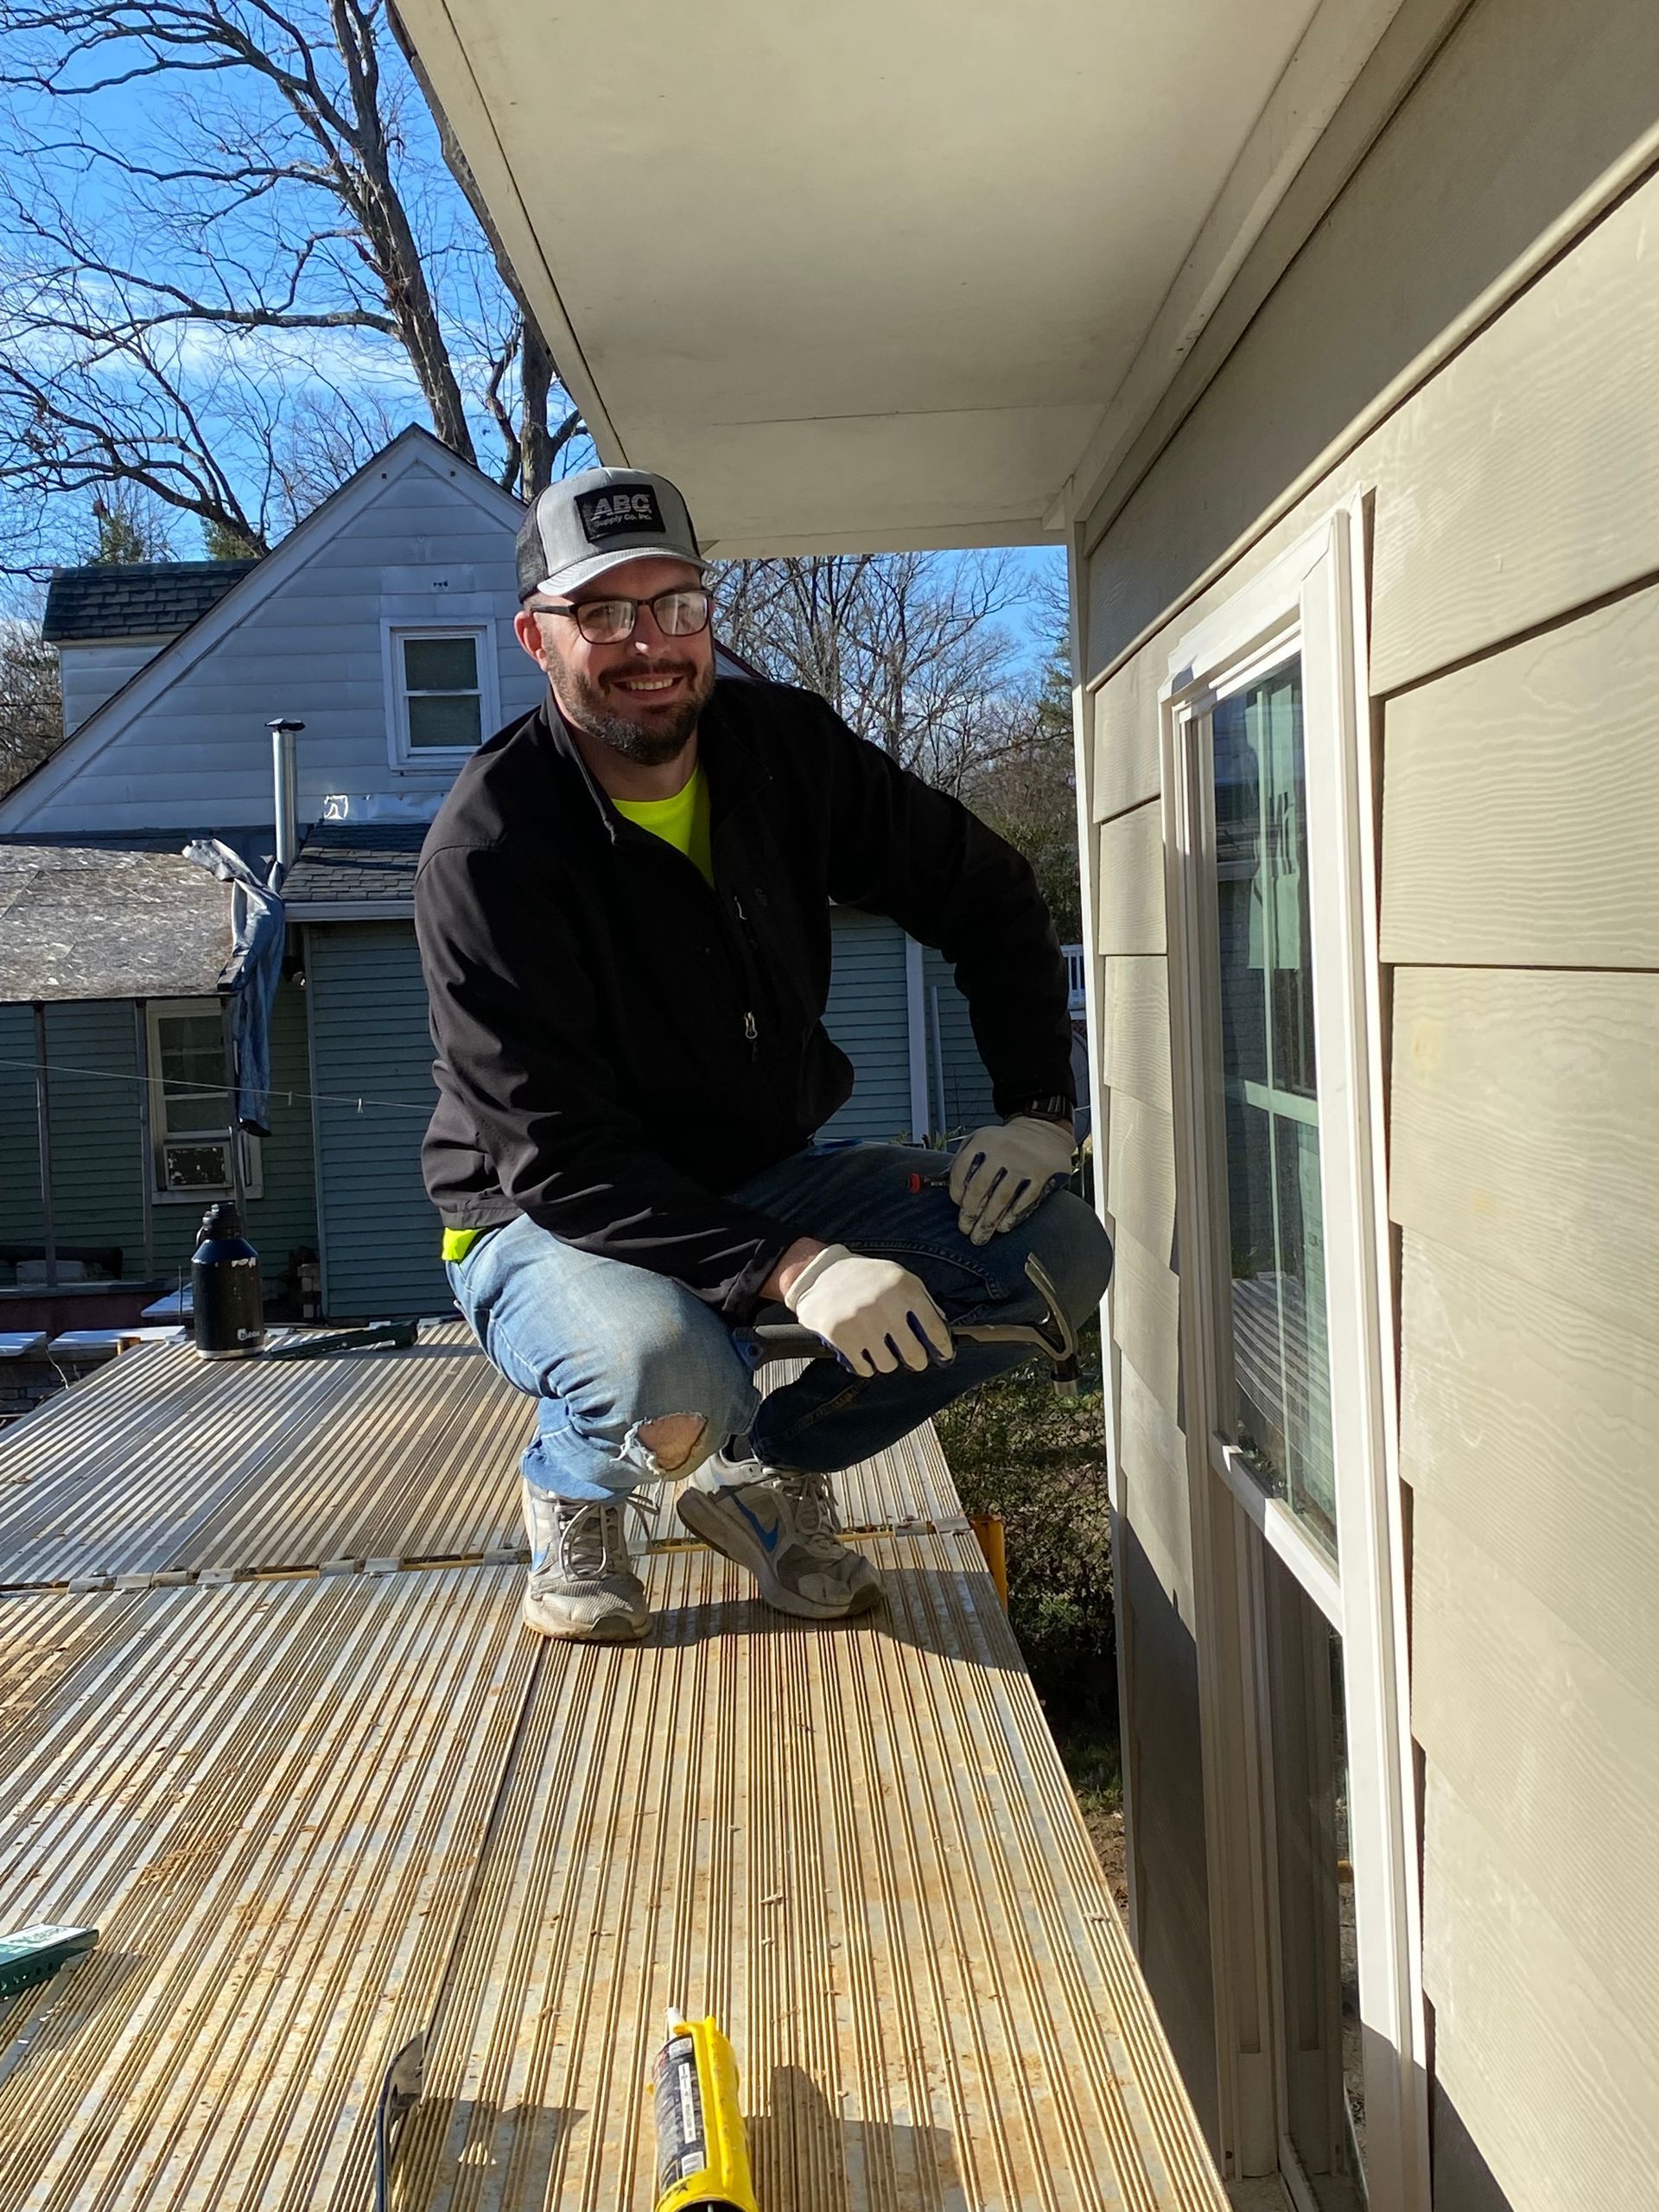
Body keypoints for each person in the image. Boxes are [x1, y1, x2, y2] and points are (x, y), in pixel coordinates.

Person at [414, 466, 1113, 1643]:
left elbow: (986, 890)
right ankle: (580, 1487)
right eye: (605, 615)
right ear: (537, 637)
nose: (651, 644)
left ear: (708, 615)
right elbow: (561, 1160)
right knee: (666, 1367)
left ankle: (765, 1472)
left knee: (1052, 1251)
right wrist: (797, 1268)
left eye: (676, 604)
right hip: (543, 1214)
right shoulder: (491, 850)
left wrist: (1040, 1106)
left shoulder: (783, 752)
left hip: (758, 1171)